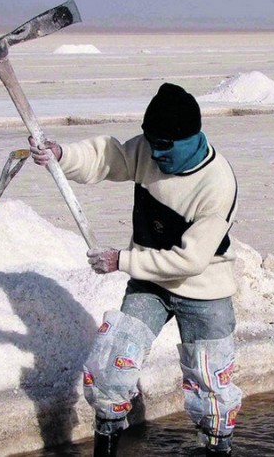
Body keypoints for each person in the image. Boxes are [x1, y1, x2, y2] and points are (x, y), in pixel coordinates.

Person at [29, 83, 241, 457]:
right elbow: (109, 158)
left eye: (165, 146)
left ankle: (215, 448)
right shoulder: (148, 148)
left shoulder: (217, 183)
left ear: (191, 137)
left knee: (212, 386)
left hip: (204, 290)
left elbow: (190, 261)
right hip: (150, 283)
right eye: (151, 143)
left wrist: (120, 261)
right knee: (112, 365)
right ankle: (106, 445)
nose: (155, 154)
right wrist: (62, 155)